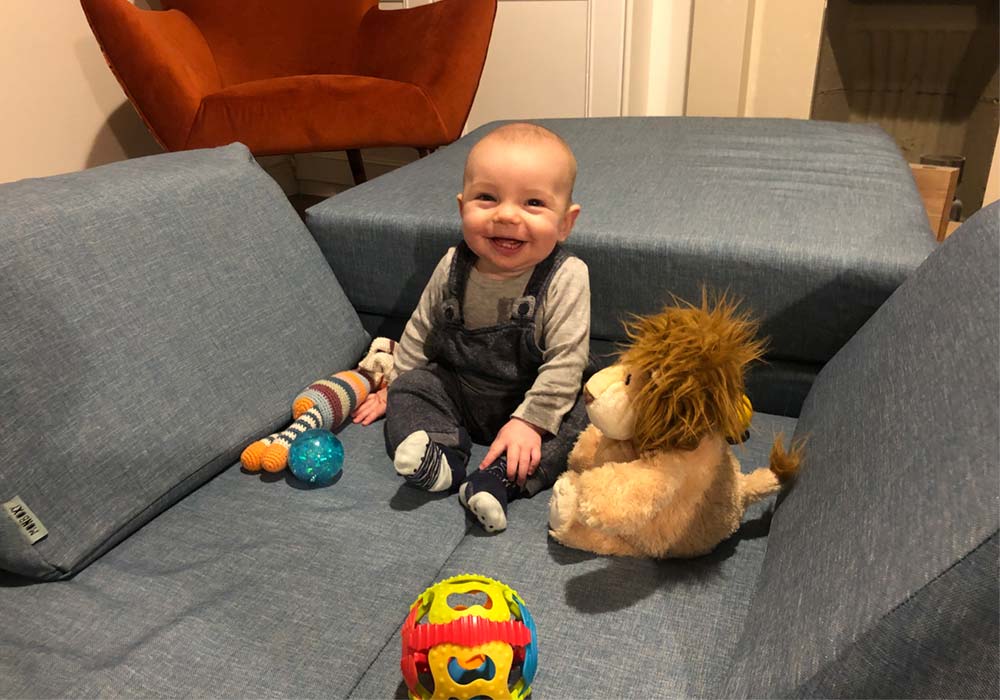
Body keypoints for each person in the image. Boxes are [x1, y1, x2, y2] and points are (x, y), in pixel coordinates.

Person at [351, 122, 591, 533]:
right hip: (460, 391)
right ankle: (439, 454)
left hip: (531, 398)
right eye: (487, 198)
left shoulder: (568, 275)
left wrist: (531, 421)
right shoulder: (452, 265)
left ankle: (497, 480)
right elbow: (421, 328)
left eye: (533, 202)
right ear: (463, 206)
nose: (506, 215)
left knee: (584, 415)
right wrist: (394, 383)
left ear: (565, 223)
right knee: (412, 385)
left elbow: (567, 359)